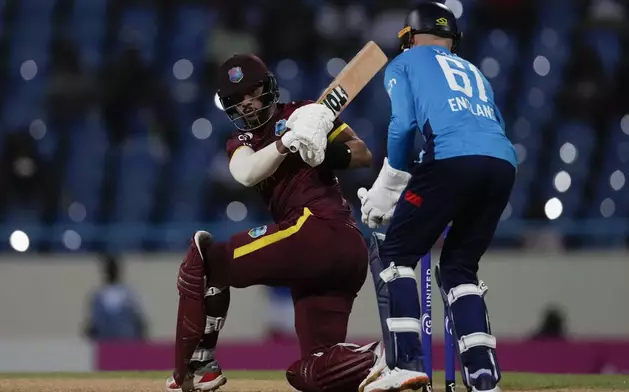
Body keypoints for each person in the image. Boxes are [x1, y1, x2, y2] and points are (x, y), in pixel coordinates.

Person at [166, 53, 379, 392]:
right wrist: (287, 143)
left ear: (268, 88)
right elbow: (246, 172)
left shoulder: (306, 113)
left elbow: (362, 153)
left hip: (319, 229)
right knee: (312, 371)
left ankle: (195, 368)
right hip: (336, 255)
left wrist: (322, 149)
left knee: (206, 260)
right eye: (238, 99)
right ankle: (381, 359)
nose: (248, 103)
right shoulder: (241, 141)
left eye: (252, 92)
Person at [357, 3, 516, 392]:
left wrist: (390, 184)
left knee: (396, 253)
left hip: (450, 158)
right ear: (454, 40)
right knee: (460, 268)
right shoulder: (475, 70)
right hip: (502, 163)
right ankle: (482, 376)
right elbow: (496, 124)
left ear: (408, 38)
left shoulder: (405, 63)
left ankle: (405, 363)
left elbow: (403, 125)